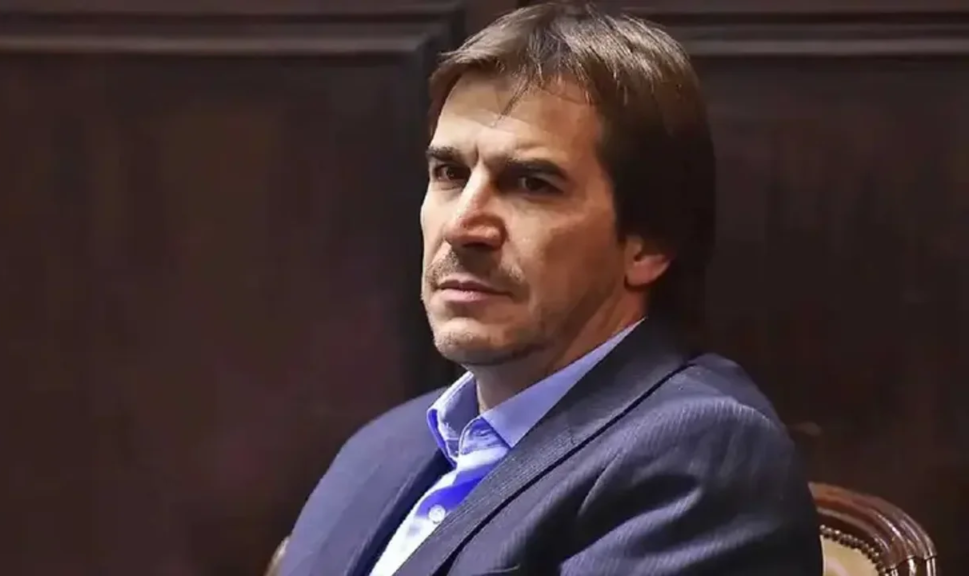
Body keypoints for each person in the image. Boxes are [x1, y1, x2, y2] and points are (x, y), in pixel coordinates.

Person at [275, 2, 822, 575]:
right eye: (450, 174)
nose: (462, 226)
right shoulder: (382, 448)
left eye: (531, 183)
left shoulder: (698, 456)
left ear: (648, 244)